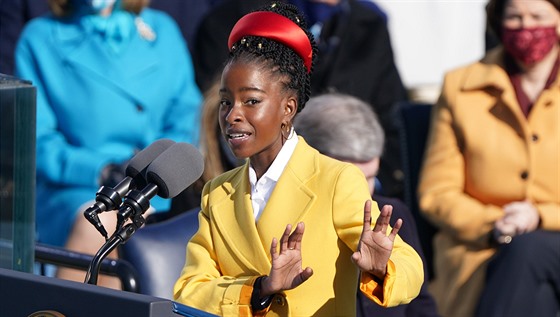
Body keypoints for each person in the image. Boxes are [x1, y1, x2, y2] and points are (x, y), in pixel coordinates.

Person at [173, 2, 423, 315]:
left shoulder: (335, 181)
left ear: (288, 108)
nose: (233, 115)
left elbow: (409, 266)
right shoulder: (218, 192)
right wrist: (260, 288)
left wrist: (383, 268)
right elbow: (188, 291)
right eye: (226, 102)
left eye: (251, 101)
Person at [15, 0, 202, 287]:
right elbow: (38, 140)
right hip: (75, 187)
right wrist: (100, 170)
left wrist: (156, 170)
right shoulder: (40, 38)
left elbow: (186, 116)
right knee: (99, 223)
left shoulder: (162, 30)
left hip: (154, 186)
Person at [417, 0, 560, 316]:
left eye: (538, 16)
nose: (526, 27)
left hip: (550, 239)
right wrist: (496, 224)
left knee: (529, 250)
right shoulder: (461, 87)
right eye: (514, 17)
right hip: (484, 246)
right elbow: (437, 193)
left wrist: (540, 216)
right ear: (498, 22)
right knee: (535, 291)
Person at [191, 0, 408, 199]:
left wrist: (368, 182)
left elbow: (393, 121)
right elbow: (222, 115)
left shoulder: (370, 25)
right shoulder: (235, 20)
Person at [293, 92, 439, 317]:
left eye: (371, 178)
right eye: (353, 181)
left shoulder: (393, 214)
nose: (365, 193)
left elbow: (420, 302)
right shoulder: (287, 223)